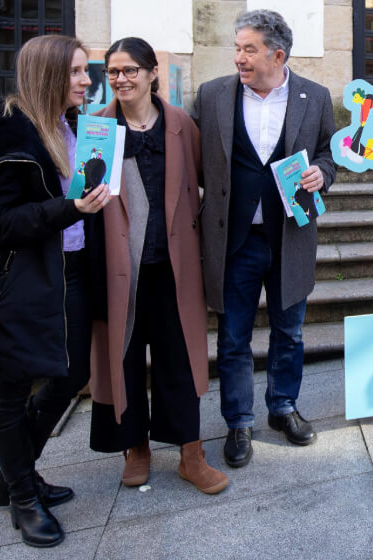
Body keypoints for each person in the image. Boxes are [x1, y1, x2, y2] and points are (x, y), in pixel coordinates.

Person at [0, 35, 111, 548]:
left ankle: (14, 473)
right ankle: (21, 493)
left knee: (73, 372)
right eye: (78, 72)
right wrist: (70, 210)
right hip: (20, 280)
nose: (88, 80)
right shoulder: (5, 137)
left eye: (87, 71)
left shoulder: (72, 125)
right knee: (12, 388)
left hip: (72, 270)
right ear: (50, 75)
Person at [192, 10, 336, 468]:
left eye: (249, 49)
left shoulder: (315, 97)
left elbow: (330, 151)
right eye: (237, 48)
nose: (239, 57)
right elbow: (194, 160)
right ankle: (238, 421)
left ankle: (283, 408)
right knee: (233, 337)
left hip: (290, 235)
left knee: (289, 332)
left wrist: (323, 173)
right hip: (234, 239)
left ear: (278, 54)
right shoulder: (212, 95)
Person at [88, 37, 227, 495]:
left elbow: (209, 181)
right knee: (123, 358)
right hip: (117, 267)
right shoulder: (97, 129)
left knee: (180, 359)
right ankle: (137, 447)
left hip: (173, 267)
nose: (121, 79)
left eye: (130, 70)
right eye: (113, 72)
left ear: (152, 74)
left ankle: (191, 453)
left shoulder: (182, 126)